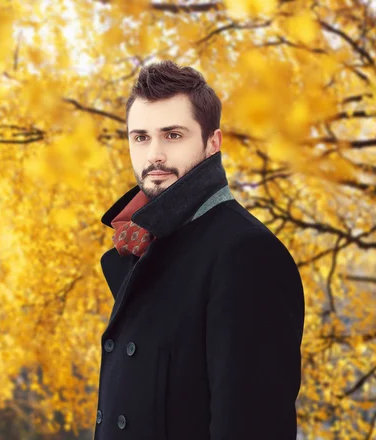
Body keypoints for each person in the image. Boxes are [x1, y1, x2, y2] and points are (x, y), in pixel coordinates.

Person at [94, 60, 305, 440]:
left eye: (172, 135)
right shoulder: (145, 245)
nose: (154, 155)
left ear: (213, 143)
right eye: (140, 137)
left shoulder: (248, 255)